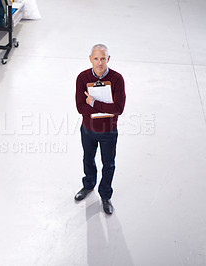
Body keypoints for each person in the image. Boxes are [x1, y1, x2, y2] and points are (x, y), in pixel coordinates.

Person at [75, 44, 126, 215]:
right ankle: (88, 185)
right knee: (88, 159)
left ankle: (105, 195)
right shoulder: (82, 78)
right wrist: (105, 108)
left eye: (103, 58)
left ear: (108, 59)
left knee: (108, 164)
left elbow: (118, 108)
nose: (99, 63)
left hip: (108, 131)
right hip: (88, 129)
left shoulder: (117, 79)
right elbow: (80, 107)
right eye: (96, 58)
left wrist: (95, 104)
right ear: (90, 58)